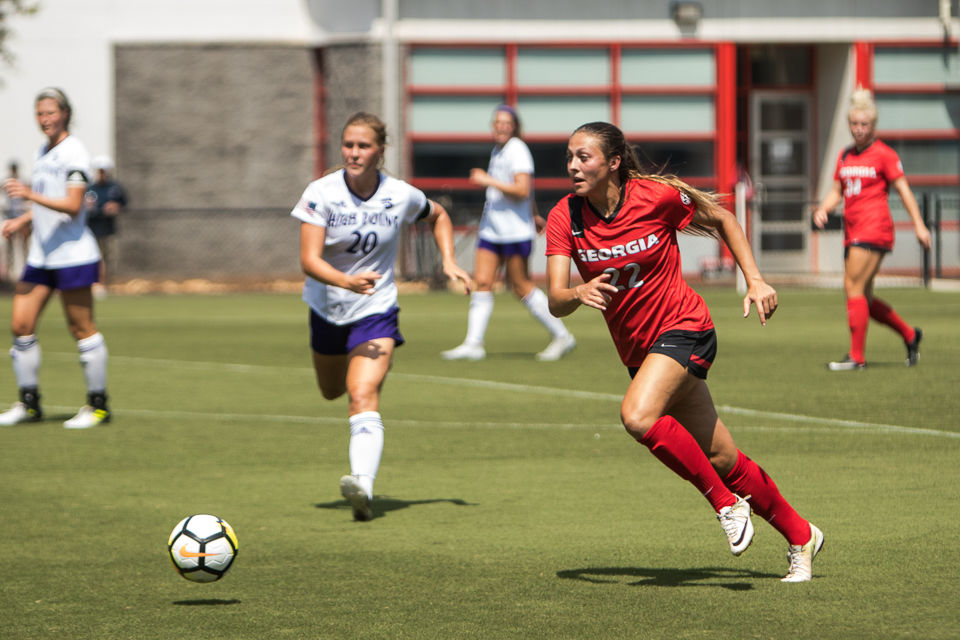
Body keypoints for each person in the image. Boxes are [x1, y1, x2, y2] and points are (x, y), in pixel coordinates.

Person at [545, 121, 823, 582]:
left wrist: (754, 278)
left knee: (636, 415)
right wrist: (577, 293)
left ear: (613, 163)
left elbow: (722, 218)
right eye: (570, 156)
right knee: (723, 459)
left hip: (685, 327)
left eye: (584, 157)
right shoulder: (564, 216)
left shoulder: (654, 196)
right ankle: (801, 535)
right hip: (641, 352)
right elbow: (555, 300)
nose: (573, 165)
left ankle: (725, 504)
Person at [291, 112, 472, 521]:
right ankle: (362, 480)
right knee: (332, 391)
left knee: (362, 394)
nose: (354, 153)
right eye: (349, 145)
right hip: (326, 307)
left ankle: (363, 487)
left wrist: (448, 262)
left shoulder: (399, 194)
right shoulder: (321, 193)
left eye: (364, 146)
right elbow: (308, 260)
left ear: (380, 151)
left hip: (376, 310)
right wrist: (345, 281)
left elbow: (438, 214)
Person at [0, 87, 111, 429]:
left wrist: (29, 193)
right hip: (43, 254)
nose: (45, 119)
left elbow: (74, 205)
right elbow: (49, 200)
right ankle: (29, 405)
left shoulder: (74, 153)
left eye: (50, 113)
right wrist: (24, 217)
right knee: (21, 326)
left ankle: (98, 407)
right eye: (40, 114)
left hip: (72, 255)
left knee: (81, 329)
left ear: (65, 114)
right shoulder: (42, 151)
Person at [441, 105, 575, 362]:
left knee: (521, 286)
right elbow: (528, 194)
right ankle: (473, 343)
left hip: (514, 232)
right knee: (482, 282)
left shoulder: (517, 149)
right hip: (492, 229)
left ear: (514, 126)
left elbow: (522, 189)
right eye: (497, 122)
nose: (501, 126)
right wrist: (535, 213)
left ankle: (562, 336)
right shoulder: (499, 150)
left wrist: (487, 181)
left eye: (506, 122)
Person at [813, 88, 931, 370]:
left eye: (864, 124)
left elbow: (903, 190)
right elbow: (836, 190)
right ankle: (910, 334)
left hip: (874, 228)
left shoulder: (884, 154)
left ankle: (857, 357)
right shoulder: (845, 156)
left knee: (851, 286)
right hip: (853, 230)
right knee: (862, 297)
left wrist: (919, 224)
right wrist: (823, 209)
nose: (859, 129)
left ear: (873, 126)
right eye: (854, 124)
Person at [84, 154, 127, 294]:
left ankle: (106, 284)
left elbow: (124, 203)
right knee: (93, 258)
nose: (101, 174)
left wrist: (116, 207)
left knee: (107, 258)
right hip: (91, 229)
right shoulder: (90, 188)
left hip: (108, 228)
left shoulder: (114, 187)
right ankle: (95, 284)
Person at [2, 160, 29, 284]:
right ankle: (10, 274)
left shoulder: (22, 182)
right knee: (10, 248)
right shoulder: (6, 182)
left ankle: (25, 271)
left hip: (21, 218)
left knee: (24, 247)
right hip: (10, 217)